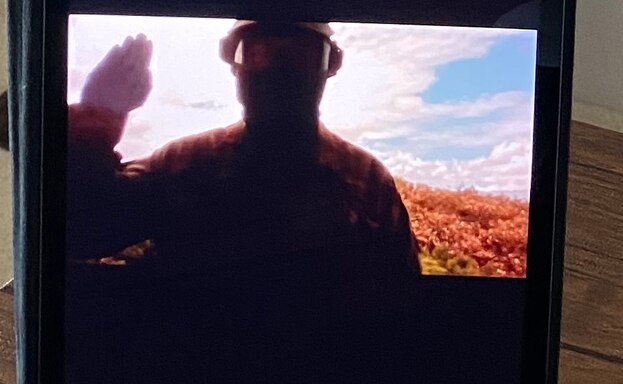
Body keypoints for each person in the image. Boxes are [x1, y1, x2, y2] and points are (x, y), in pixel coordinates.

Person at [65, 21, 420, 282]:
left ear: (329, 67)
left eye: (301, 55)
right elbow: (83, 229)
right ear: (235, 65)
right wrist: (101, 116)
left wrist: (101, 116)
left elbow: (402, 293)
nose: (280, 70)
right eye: (260, 52)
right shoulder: (185, 162)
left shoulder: (367, 180)